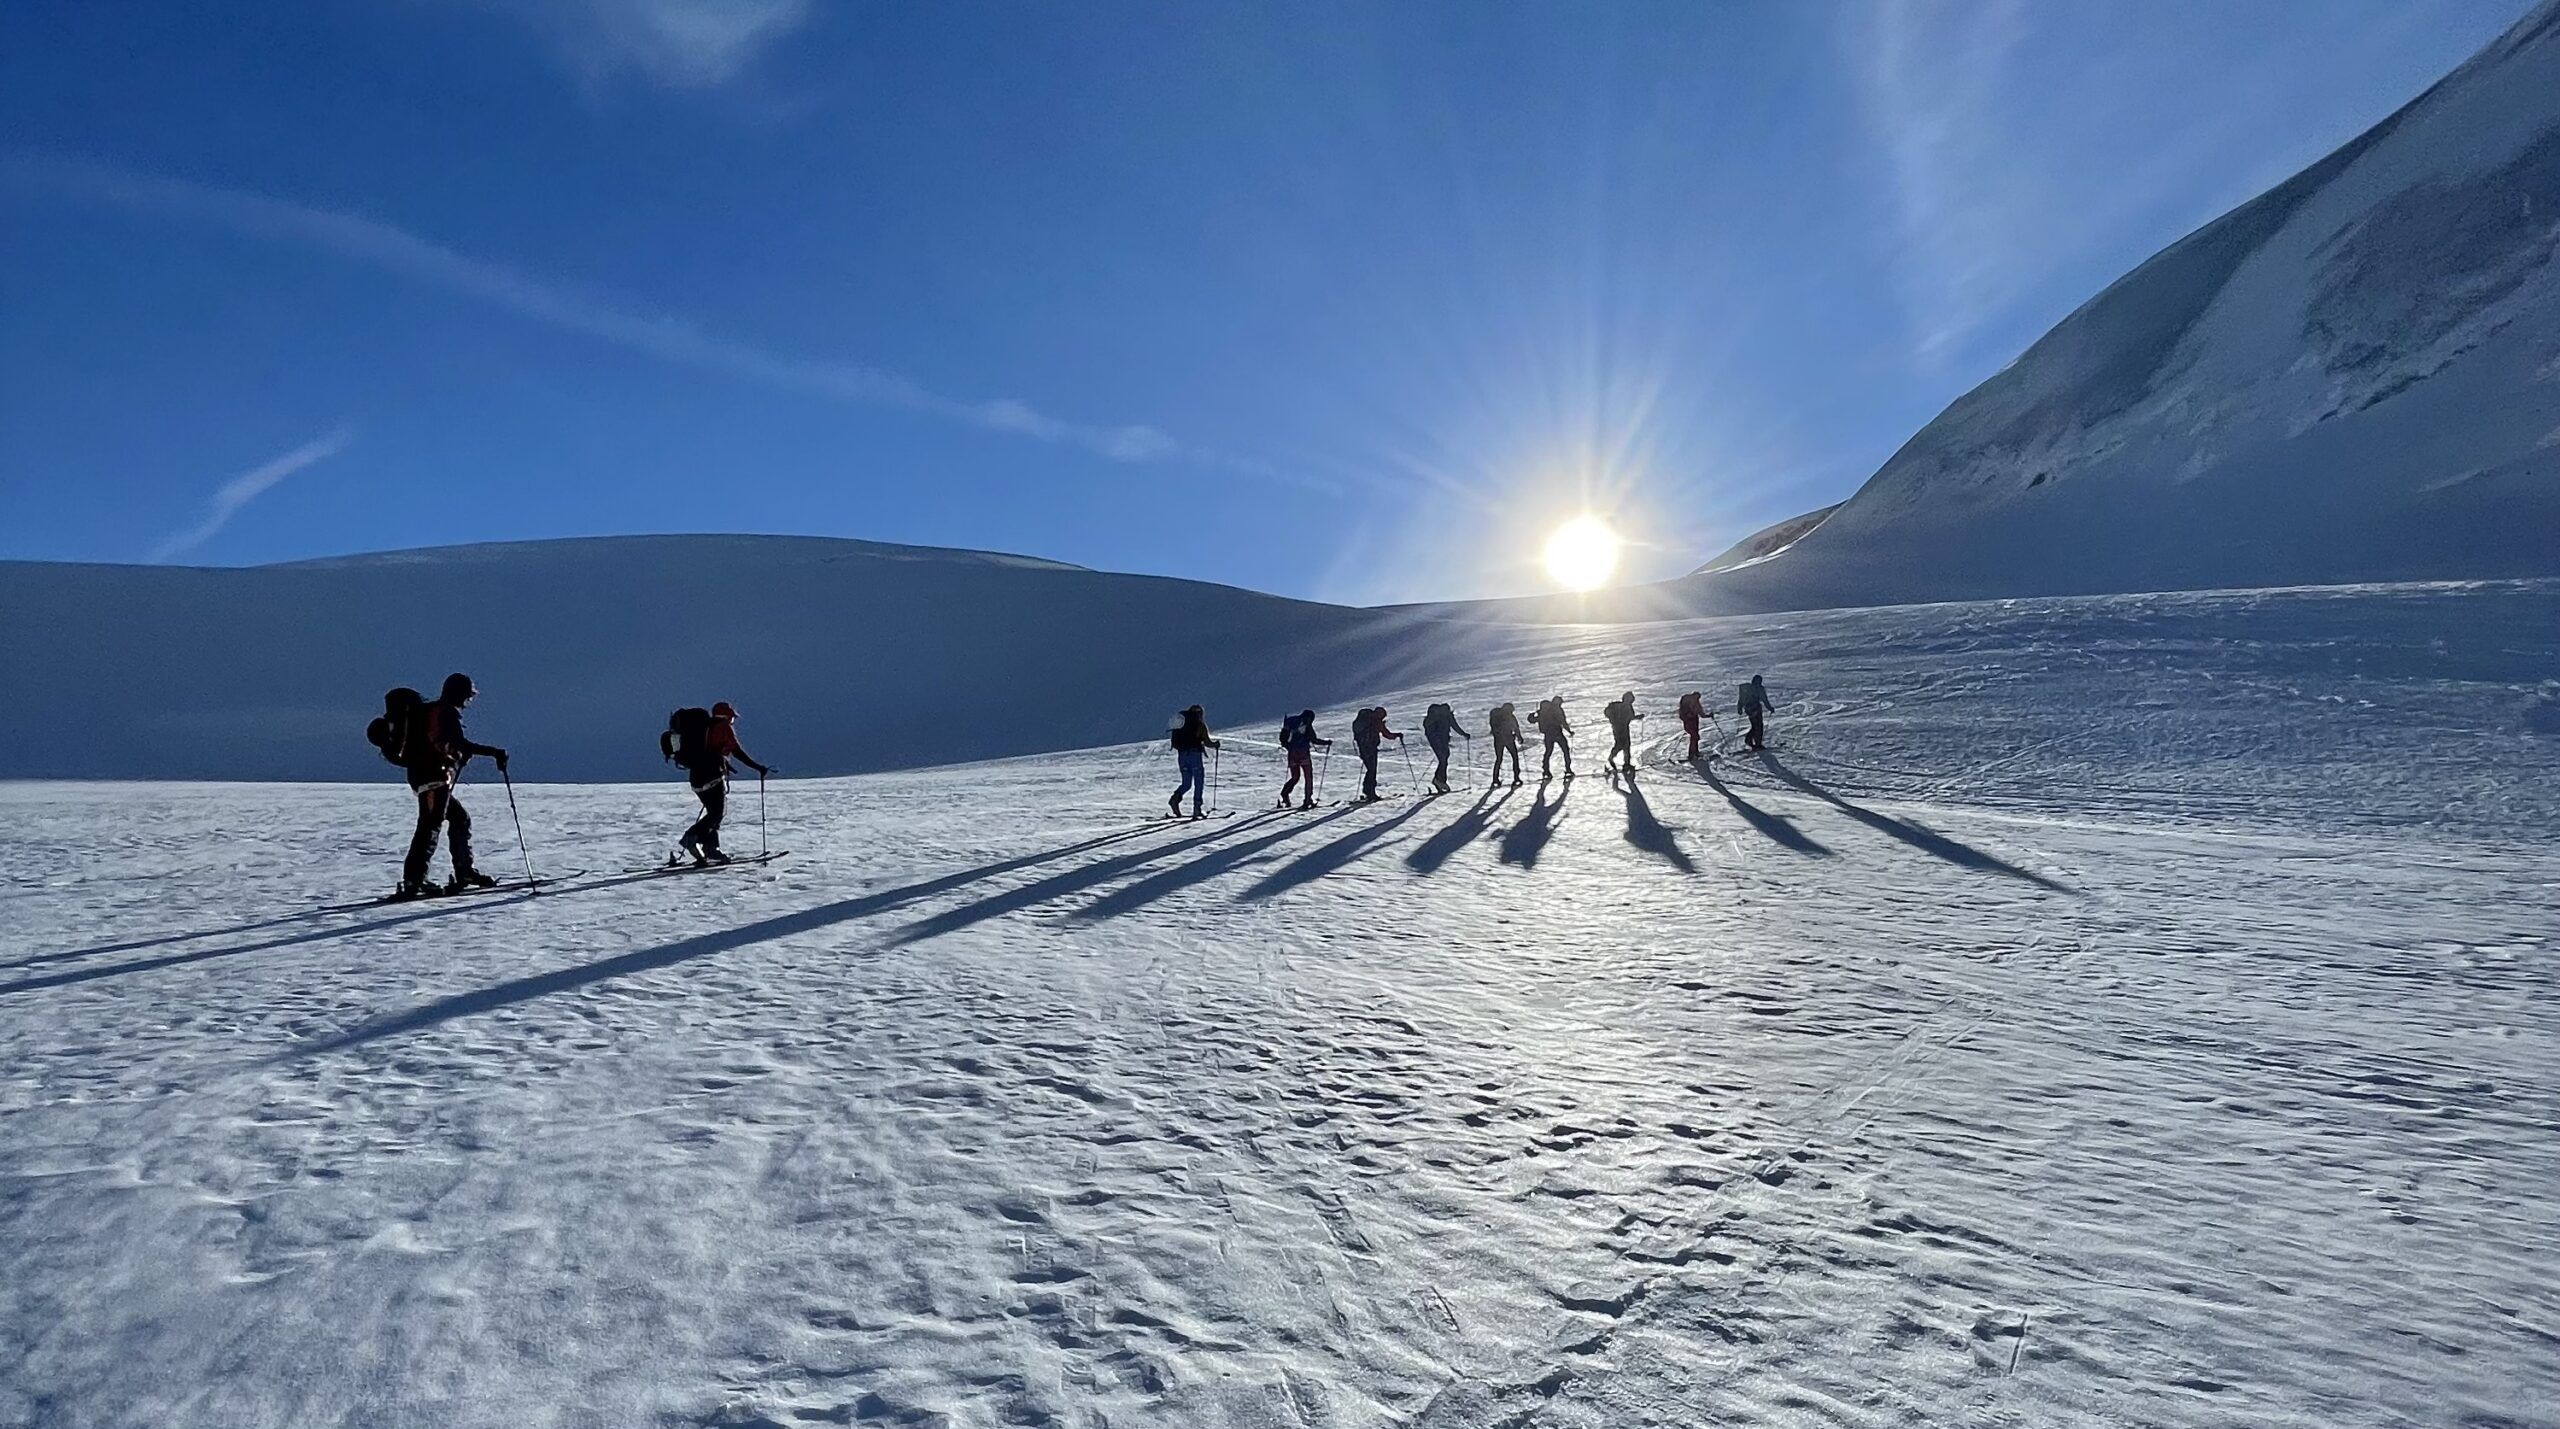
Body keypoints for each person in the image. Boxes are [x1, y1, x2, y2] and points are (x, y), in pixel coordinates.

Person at [396, 672, 508, 900]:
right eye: (468, 695)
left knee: (457, 819)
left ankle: (460, 872)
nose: (469, 701)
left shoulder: (431, 710)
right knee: (431, 826)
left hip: (422, 777)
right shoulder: (447, 712)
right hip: (435, 778)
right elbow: (459, 743)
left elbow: (447, 744)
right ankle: (416, 880)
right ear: (460, 694)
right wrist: (494, 752)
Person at [661, 701, 770, 864]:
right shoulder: (723, 727)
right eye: (732, 718)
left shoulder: (703, 729)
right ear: (727, 716)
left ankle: (711, 849)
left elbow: (712, 751)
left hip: (696, 778)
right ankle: (692, 837)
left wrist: (726, 764)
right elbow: (736, 751)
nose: (732, 721)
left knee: (713, 812)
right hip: (712, 776)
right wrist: (758, 767)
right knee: (717, 813)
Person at [1168, 705, 1220, 818]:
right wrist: (1215, 744)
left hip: (1182, 756)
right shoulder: (1200, 725)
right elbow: (1207, 742)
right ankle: (1197, 809)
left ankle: (1174, 800)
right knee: (1198, 782)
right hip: (1194, 756)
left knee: (1186, 783)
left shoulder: (1181, 724)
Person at [1278, 709, 1332, 809]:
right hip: (1303, 753)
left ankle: (1284, 794)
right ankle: (1307, 799)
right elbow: (1313, 739)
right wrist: (1326, 743)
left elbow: (1283, 737)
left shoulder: (1291, 721)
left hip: (1292, 753)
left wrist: (1288, 746)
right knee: (1308, 776)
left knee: (1295, 776)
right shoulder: (1307, 724)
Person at [1420, 702, 1475, 794]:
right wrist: (1464, 734)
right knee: (1443, 759)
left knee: (1444, 759)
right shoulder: (1447, 715)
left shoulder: (1436, 716)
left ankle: (1440, 781)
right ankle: (1439, 780)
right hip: (1441, 740)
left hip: (1436, 740)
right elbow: (1455, 726)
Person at [1351, 705, 1403, 801]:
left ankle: (1368, 791)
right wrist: (1397, 735)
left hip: (1363, 748)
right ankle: (1370, 792)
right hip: (1371, 748)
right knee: (1372, 770)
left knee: (1370, 769)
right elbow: (1386, 734)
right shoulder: (1376, 721)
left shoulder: (1366, 720)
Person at [1528, 695, 1574, 780]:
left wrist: (1532, 715)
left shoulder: (1542, 712)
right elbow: (1563, 722)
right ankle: (1568, 769)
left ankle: (1546, 771)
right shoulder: (1557, 710)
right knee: (1565, 750)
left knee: (1548, 752)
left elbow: (1532, 720)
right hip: (1558, 733)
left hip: (1548, 735)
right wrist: (1569, 731)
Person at [1603, 691, 1643, 774]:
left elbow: (1630, 717)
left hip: (1621, 728)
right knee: (1622, 745)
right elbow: (1629, 717)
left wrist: (1637, 717)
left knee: (1624, 746)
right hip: (1621, 729)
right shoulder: (1621, 706)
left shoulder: (1625, 706)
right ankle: (1614, 759)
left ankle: (1625, 763)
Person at [1487, 703, 1525, 787]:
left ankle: (1495, 779)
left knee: (1499, 759)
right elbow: (1516, 728)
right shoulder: (1510, 717)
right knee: (1515, 758)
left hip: (1498, 740)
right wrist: (1519, 737)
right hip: (1509, 740)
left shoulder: (1496, 716)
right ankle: (1516, 778)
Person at [1739, 674, 1772, 752]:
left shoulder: (1747, 688)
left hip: (1749, 709)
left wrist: (1739, 708)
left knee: (1755, 725)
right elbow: (1764, 700)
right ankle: (1756, 743)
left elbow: (1741, 699)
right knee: (1759, 726)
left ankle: (1751, 740)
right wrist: (1770, 708)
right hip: (1756, 709)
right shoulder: (1760, 689)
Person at [1677, 690, 1705, 760]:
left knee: (1694, 737)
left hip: (1689, 722)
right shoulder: (1694, 702)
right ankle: (1692, 754)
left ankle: (1694, 753)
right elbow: (1700, 712)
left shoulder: (1686, 701)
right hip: (1692, 721)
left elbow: (1699, 712)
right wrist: (1707, 715)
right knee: (1694, 737)